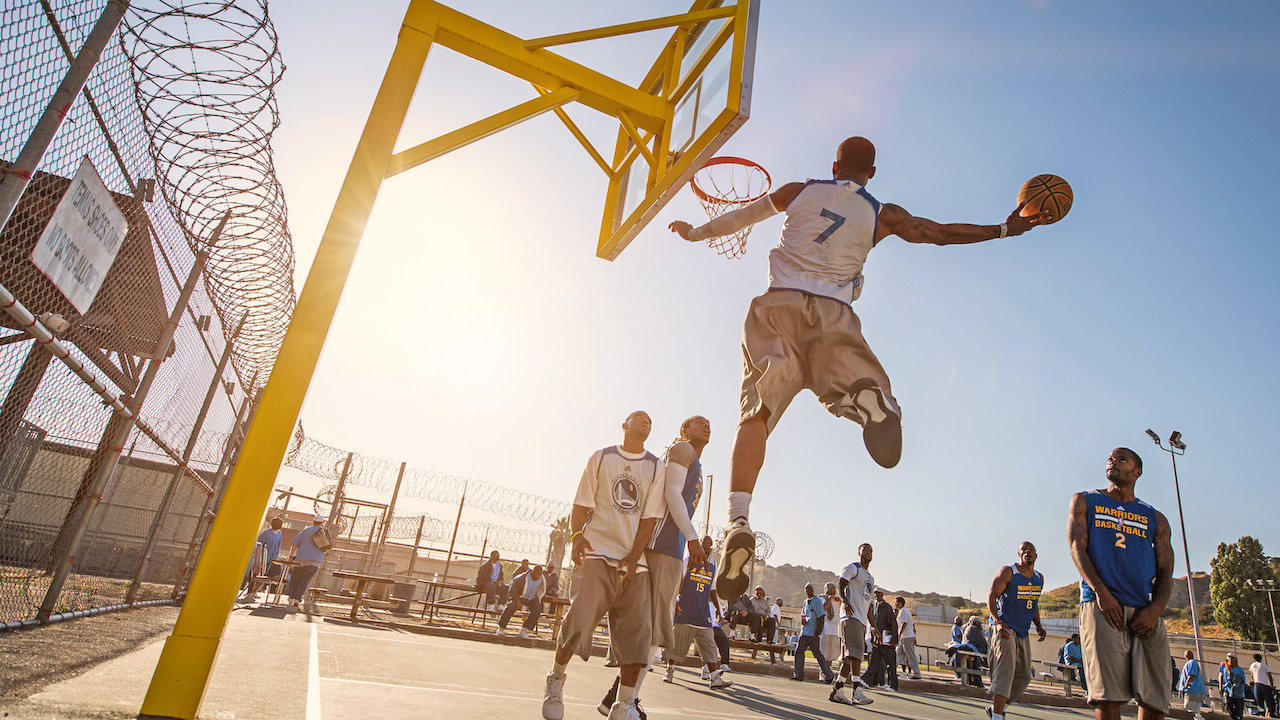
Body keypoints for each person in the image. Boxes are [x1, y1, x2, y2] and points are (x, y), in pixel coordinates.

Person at [669, 136, 1050, 598]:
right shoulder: (882, 213)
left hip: (778, 307)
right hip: (834, 315)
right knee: (848, 383)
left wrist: (694, 234)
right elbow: (940, 233)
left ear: (834, 163)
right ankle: (863, 397)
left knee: (756, 417)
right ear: (872, 173)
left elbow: (741, 218)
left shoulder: (798, 190)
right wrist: (1003, 230)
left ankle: (738, 520)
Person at [541, 411, 665, 720]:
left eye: (650, 420)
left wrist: (634, 556)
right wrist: (577, 534)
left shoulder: (655, 466)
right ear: (624, 425)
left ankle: (622, 706)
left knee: (639, 637)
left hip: (634, 561)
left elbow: (650, 517)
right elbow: (581, 503)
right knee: (579, 619)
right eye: (639, 418)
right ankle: (556, 678)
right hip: (598, 552)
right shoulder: (601, 457)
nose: (646, 421)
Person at [597, 415, 713, 715]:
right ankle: (626, 703)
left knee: (647, 628)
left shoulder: (691, 461)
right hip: (662, 547)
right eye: (699, 422)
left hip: (666, 549)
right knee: (649, 632)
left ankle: (616, 698)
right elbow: (671, 494)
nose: (707, 426)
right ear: (683, 430)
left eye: (709, 424)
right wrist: (691, 536)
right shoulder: (683, 450)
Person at [1068, 447, 1175, 720]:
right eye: (1110, 458)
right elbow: (1076, 548)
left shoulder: (1155, 517)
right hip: (1103, 605)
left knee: (1154, 698)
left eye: (1121, 459)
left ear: (1137, 472)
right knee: (1108, 697)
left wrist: (1156, 609)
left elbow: (1166, 568)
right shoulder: (1085, 500)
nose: (1112, 461)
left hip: (1145, 610)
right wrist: (1101, 593)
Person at [985, 541, 1048, 720]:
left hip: (1022, 630)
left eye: (1031, 550)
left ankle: (996, 708)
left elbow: (1033, 603)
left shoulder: (1039, 578)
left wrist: (1039, 625)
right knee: (1005, 671)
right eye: (1024, 550)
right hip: (1005, 627)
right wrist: (997, 622)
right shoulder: (1008, 572)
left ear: (1036, 556)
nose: (1028, 552)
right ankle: (998, 716)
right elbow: (991, 594)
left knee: (1024, 675)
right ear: (1019, 555)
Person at [663, 536, 732, 690]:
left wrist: (719, 610)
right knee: (677, 645)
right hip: (686, 610)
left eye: (709, 543)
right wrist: (676, 601)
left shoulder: (713, 565)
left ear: (712, 547)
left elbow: (712, 590)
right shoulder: (688, 560)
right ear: (699, 545)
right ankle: (669, 670)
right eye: (704, 542)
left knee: (709, 645)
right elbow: (678, 582)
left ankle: (714, 678)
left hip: (703, 613)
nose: (706, 545)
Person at [830, 542, 875, 706]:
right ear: (859, 552)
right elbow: (841, 584)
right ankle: (857, 690)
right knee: (856, 654)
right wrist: (845, 601)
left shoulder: (870, 577)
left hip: (861, 619)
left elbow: (868, 604)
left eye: (871, 551)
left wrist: (873, 625)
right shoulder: (852, 568)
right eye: (865, 550)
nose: (868, 552)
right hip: (851, 616)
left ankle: (837, 690)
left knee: (850, 657)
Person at [792, 583, 834, 683]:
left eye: (809, 589)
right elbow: (803, 614)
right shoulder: (805, 602)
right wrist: (803, 620)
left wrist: (817, 632)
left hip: (813, 633)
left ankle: (829, 675)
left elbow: (821, 617)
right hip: (804, 632)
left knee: (817, 654)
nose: (808, 591)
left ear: (812, 590)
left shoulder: (818, 601)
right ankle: (798, 674)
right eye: (806, 589)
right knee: (799, 651)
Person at [286, 514, 329, 610]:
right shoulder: (323, 533)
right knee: (305, 580)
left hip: (301, 559)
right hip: (315, 561)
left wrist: (290, 556)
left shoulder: (305, 531)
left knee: (295, 578)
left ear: (313, 522)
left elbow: (294, 544)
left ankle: (291, 597)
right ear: (322, 523)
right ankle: (297, 599)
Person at [862, 587, 899, 690]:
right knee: (874, 662)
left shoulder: (887, 607)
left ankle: (894, 686)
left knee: (891, 665)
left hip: (886, 641)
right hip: (877, 640)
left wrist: (893, 640)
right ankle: (866, 680)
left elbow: (893, 624)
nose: (876, 595)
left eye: (878, 593)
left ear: (882, 595)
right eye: (875, 593)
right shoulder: (874, 606)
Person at [498, 564, 546, 639]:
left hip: (531, 599)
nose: (538, 576)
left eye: (539, 575)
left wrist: (539, 598)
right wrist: (517, 601)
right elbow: (512, 591)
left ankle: (524, 630)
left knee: (538, 608)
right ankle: (501, 627)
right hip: (519, 597)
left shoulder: (542, 579)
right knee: (511, 605)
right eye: (536, 574)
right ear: (533, 572)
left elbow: (542, 590)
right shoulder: (522, 578)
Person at [241, 516, 283, 599]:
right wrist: (260, 558)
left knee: (265, 575)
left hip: (271, 559)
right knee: (256, 574)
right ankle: (250, 591)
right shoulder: (266, 533)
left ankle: (256, 591)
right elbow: (260, 545)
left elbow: (278, 546)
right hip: (262, 558)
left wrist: (275, 558)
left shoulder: (279, 534)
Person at [895, 597, 921, 680]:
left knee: (911, 655)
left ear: (900, 603)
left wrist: (899, 634)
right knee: (898, 654)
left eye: (896, 602)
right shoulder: (904, 611)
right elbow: (913, 626)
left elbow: (904, 623)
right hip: (905, 637)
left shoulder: (903, 611)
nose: (895, 604)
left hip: (906, 636)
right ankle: (890, 670)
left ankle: (917, 674)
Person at [1180, 650, 1207, 720]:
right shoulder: (1191, 663)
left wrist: (1186, 683)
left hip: (1192, 690)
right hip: (1195, 690)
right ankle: (1198, 718)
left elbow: (1192, 675)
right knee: (1195, 709)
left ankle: (1198, 718)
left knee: (1189, 708)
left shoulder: (1192, 663)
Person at [1250, 653, 1276, 717]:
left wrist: (1254, 680)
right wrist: (1271, 685)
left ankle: (1261, 713)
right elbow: (1269, 675)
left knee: (1259, 700)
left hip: (1257, 684)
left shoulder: (1253, 665)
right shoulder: (1264, 666)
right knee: (1269, 700)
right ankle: (1271, 713)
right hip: (1264, 685)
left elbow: (1252, 674)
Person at [1223, 654, 1248, 720]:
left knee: (1239, 710)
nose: (1231, 659)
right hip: (1229, 692)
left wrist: (1236, 681)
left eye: (1232, 658)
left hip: (1238, 693)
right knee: (1228, 707)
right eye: (1229, 657)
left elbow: (1243, 680)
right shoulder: (1226, 669)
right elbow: (1225, 680)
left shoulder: (1239, 670)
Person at [820, 585, 840, 665]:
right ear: (828, 590)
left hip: (835, 630)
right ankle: (823, 672)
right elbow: (824, 607)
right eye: (832, 589)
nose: (834, 591)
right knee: (824, 652)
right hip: (826, 629)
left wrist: (840, 601)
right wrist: (829, 599)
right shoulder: (822, 598)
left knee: (831, 654)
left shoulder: (836, 600)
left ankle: (829, 671)